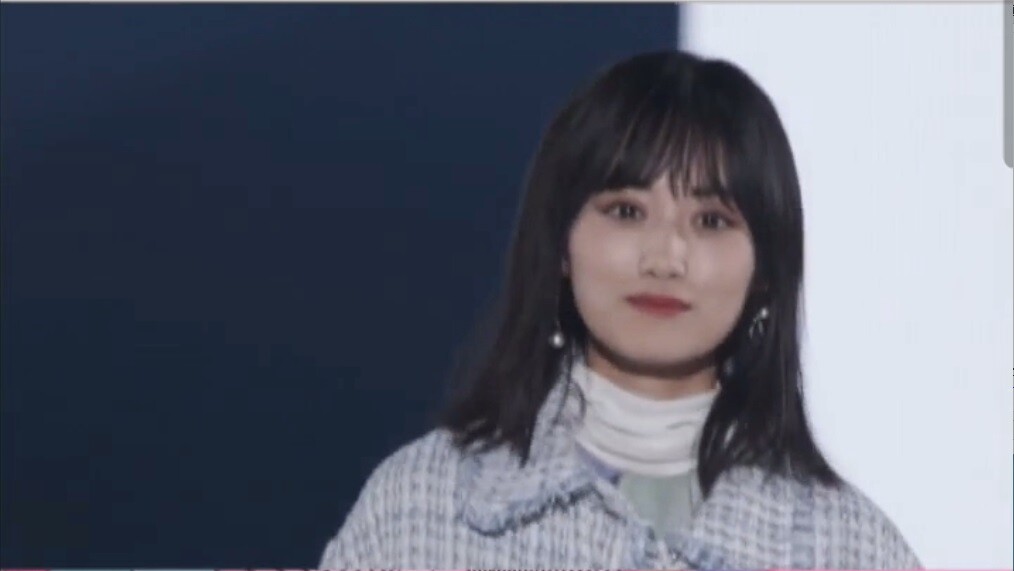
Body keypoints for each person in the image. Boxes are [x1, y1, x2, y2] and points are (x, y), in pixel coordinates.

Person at [317, 50, 921, 569]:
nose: (665, 257)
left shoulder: (849, 546)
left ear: (765, 271)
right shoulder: (423, 506)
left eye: (711, 221)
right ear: (561, 242)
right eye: (626, 212)